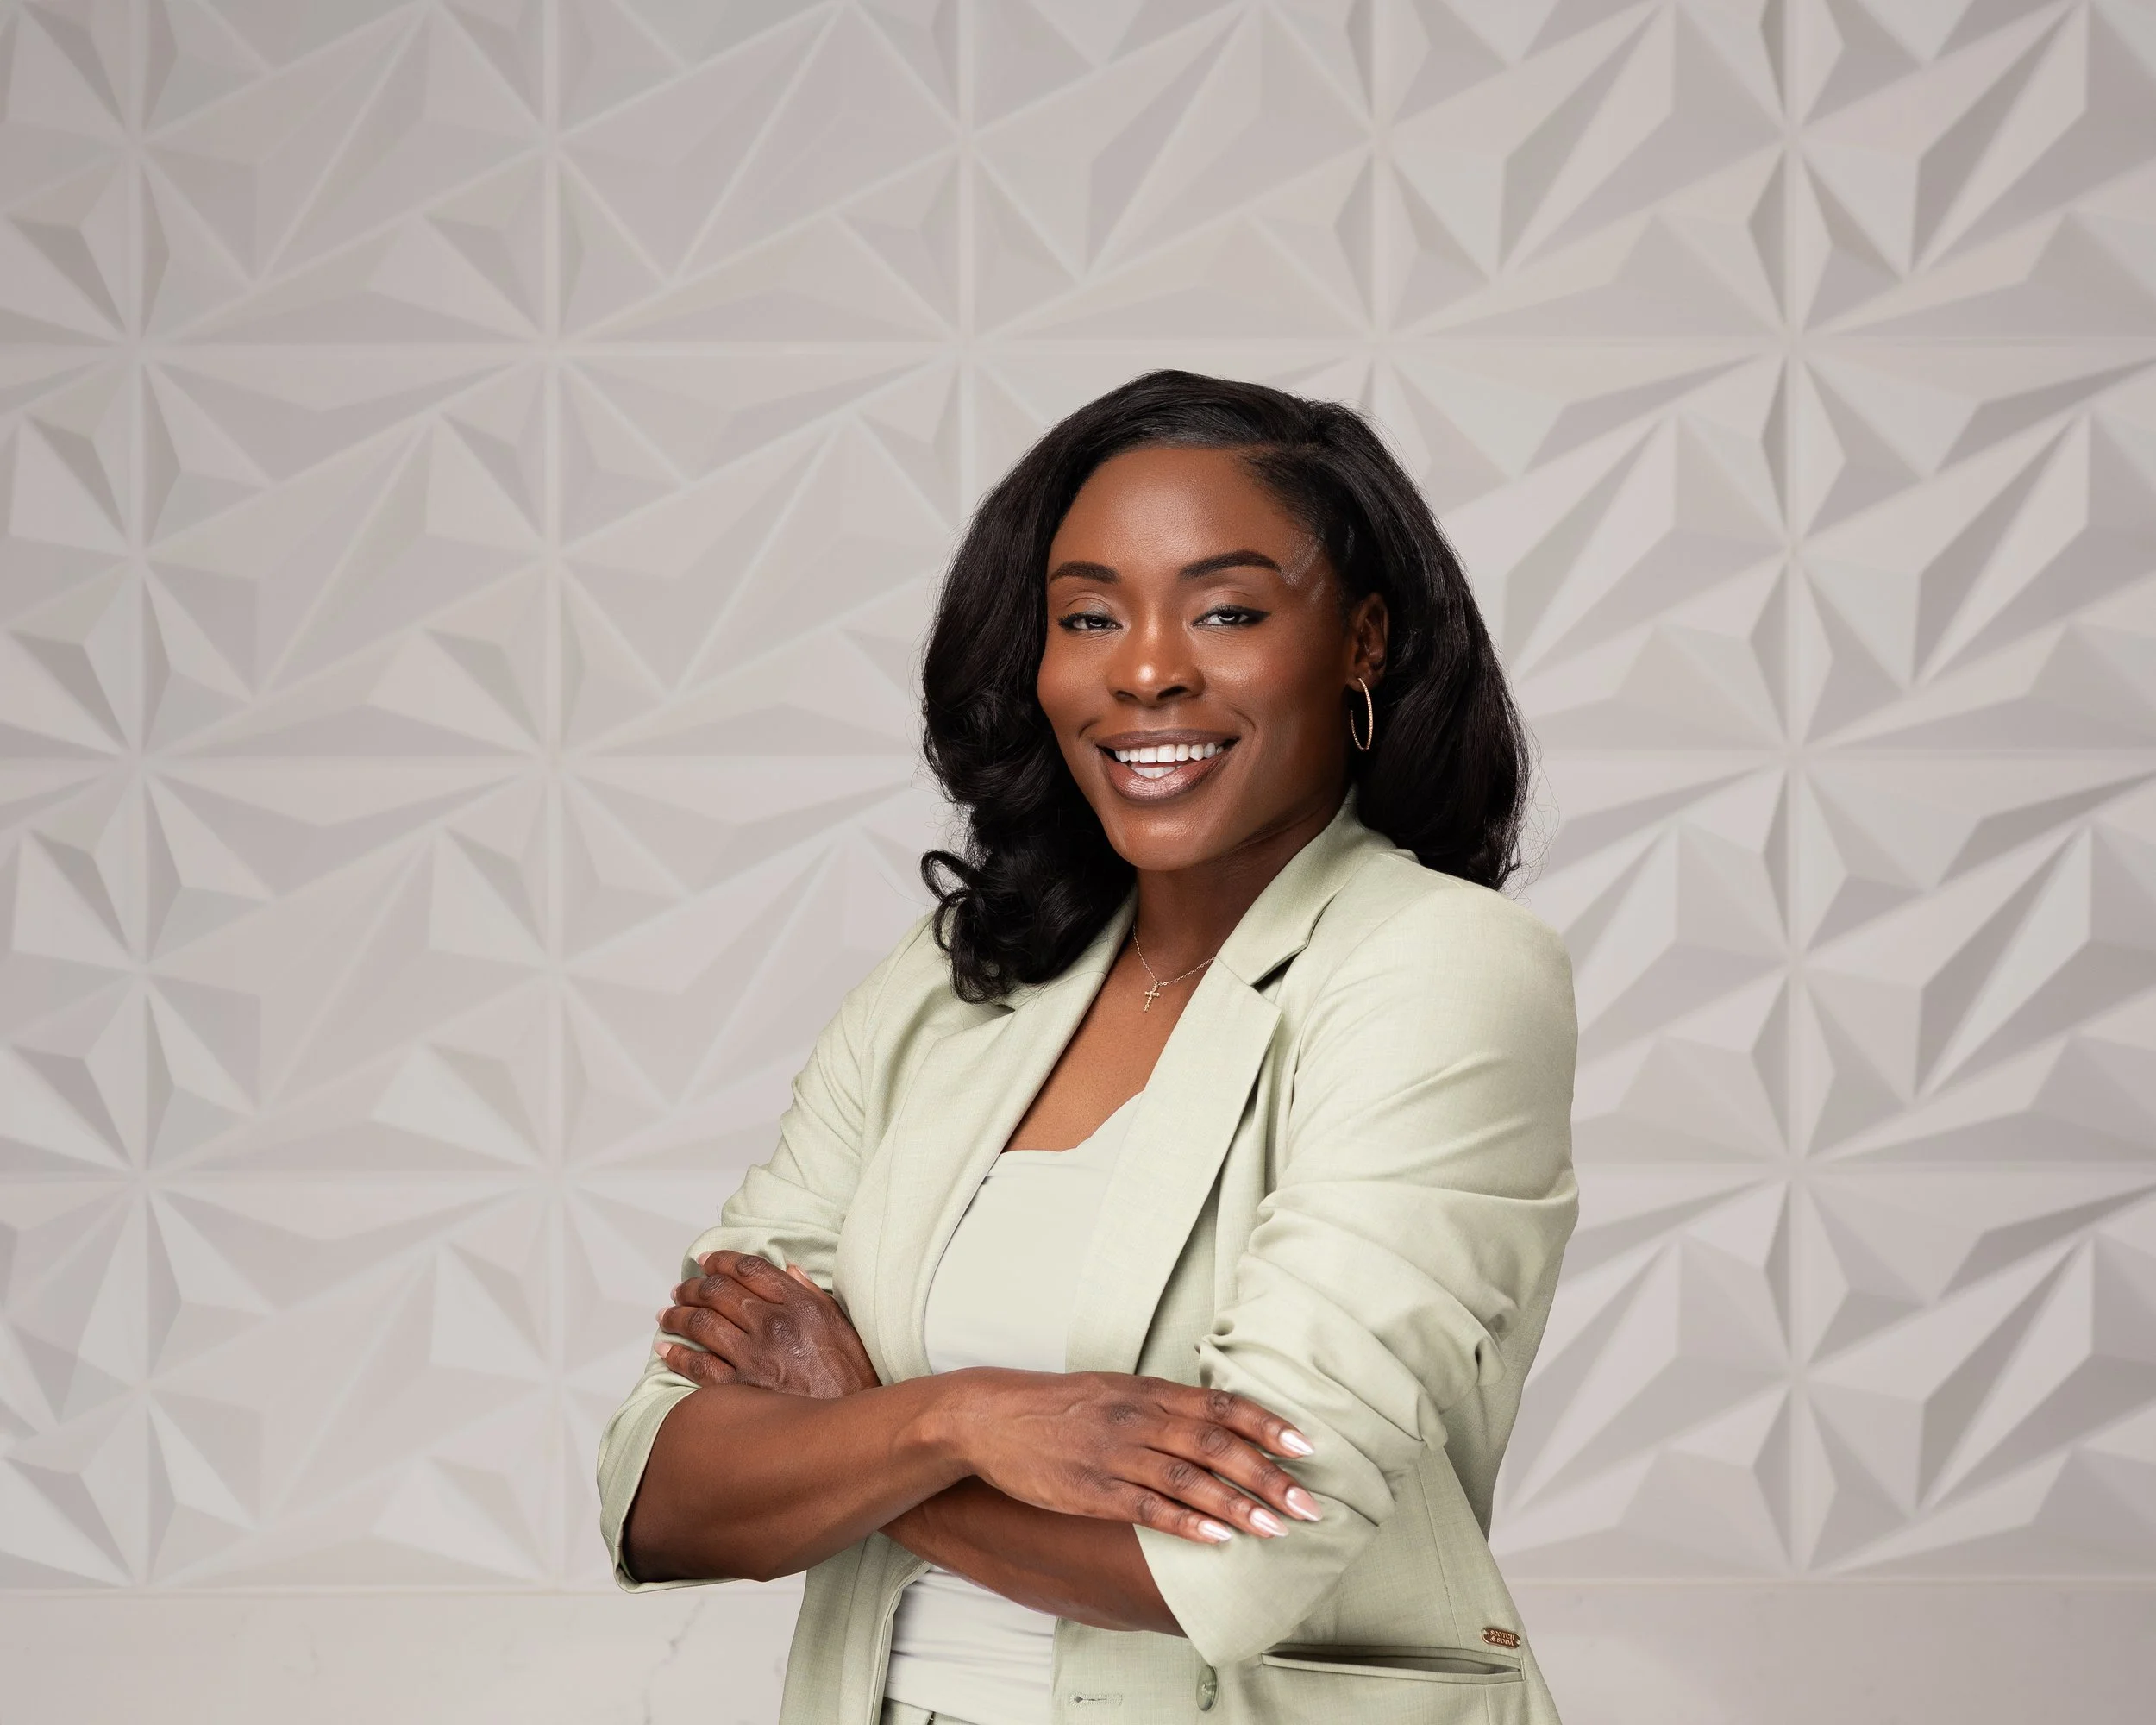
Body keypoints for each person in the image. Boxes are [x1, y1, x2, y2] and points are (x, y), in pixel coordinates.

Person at [597, 370, 1578, 1725]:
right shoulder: (951, 991)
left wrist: (858, 1426)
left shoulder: (1438, 968)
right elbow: (662, 1492)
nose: (1147, 667)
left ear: (1361, 642)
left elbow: (1229, 1569)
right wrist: (956, 1418)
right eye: (1089, 616)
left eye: (1227, 610)